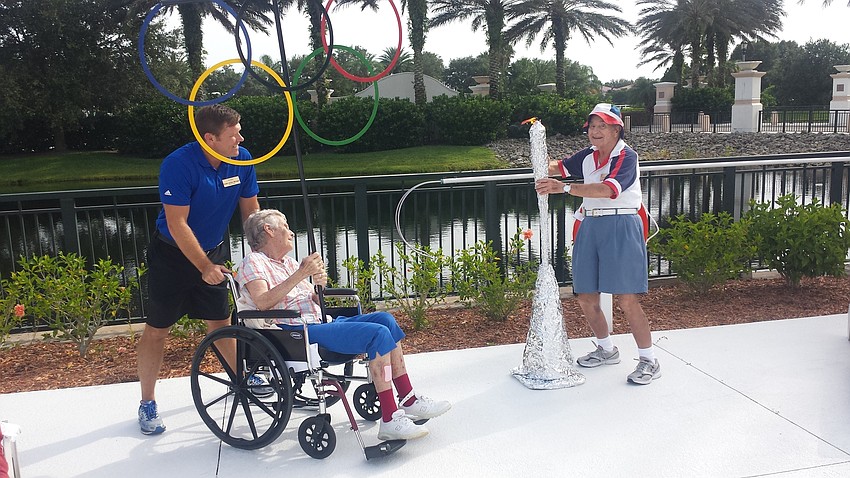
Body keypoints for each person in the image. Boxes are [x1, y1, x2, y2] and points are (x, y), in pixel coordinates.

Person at [235, 209, 451, 441]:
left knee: (385, 320)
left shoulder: (287, 263)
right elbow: (263, 301)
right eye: (285, 226)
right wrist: (301, 274)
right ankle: (389, 419)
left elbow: (315, 299)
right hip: (295, 332)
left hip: (318, 323)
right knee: (377, 333)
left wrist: (318, 287)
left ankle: (408, 398)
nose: (290, 231)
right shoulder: (253, 262)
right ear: (269, 230)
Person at [137, 104, 261, 435]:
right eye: (233, 134)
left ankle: (241, 379)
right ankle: (147, 402)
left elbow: (250, 213)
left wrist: (264, 255)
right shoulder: (179, 164)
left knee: (221, 323)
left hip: (214, 252)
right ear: (210, 138)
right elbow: (177, 223)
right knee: (157, 329)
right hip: (172, 256)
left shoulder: (242, 159)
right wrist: (203, 266)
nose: (241, 138)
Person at [534, 103, 661, 385]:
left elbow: (609, 190)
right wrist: (536, 147)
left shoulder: (627, 156)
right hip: (590, 224)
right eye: (592, 126)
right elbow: (558, 167)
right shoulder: (588, 156)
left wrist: (563, 187)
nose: (595, 131)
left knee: (627, 300)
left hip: (621, 225)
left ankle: (649, 360)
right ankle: (606, 349)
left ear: (617, 129)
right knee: (586, 296)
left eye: (602, 126)